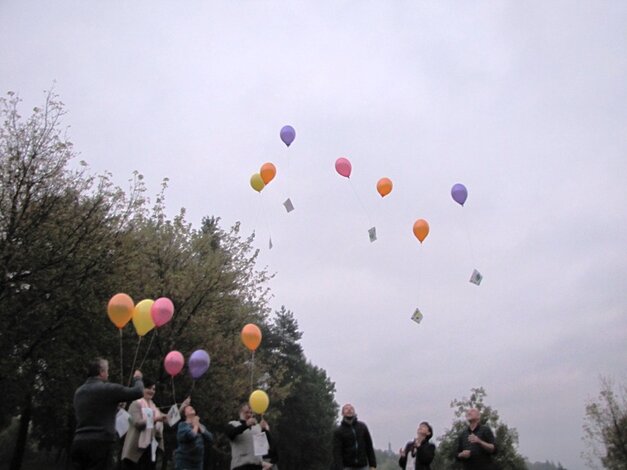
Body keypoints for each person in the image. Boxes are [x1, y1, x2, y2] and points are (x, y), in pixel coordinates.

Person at [71, 358, 144, 470]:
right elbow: (138, 392)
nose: (108, 374)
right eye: (107, 370)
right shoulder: (108, 389)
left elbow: (93, 412)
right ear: (101, 372)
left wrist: (114, 407)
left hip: (79, 442)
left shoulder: (78, 392)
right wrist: (138, 378)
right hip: (100, 444)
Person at [121, 378, 167, 469]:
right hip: (136, 450)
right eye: (149, 388)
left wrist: (181, 408)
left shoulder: (154, 407)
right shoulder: (135, 404)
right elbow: (138, 423)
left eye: (153, 389)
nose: (151, 391)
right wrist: (155, 419)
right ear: (142, 389)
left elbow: (168, 419)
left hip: (151, 450)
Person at [226, 402, 275, 470]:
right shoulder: (233, 424)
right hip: (240, 467)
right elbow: (230, 433)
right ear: (240, 413)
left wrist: (266, 431)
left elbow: (268, 449)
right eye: (246, 412)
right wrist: (246, 424)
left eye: (251, 413)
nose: (249, 415)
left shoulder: (257, 428)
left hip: (257, 467)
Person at [332, 403, 376, 470]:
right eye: (346, 409)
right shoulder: (339, 431)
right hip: (347, 466)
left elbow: (369, 446)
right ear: (342, 413)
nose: (349, 410)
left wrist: (372, 465)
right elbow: (337, 453)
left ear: (354, 412)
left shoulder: (362, 427)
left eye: (351, 409)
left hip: (362, 466)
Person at [174, 403, 213, 470]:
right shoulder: (182, 425)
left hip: (197, 463)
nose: (191, 408)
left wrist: (199, 426)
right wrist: (196, 426)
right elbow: (191, 436)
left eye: (192, 407)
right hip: (184, 461)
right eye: (188, 408)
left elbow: (210, 437)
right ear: (185, 414)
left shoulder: (201, 426)